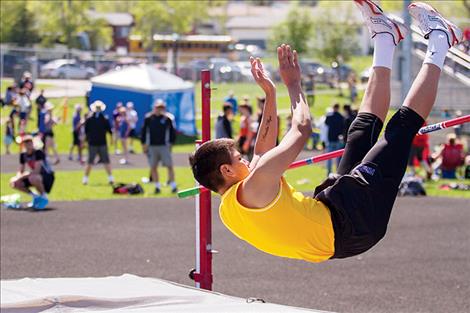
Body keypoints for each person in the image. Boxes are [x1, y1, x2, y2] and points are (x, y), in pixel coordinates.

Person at [189, 1, 462, 263]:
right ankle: (441, 37)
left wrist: (270, 93)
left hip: (334, 216)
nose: (245, 159)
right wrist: (294, 85)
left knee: (360, 131)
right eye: (238, 158)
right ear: (226, 170)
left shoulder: (231, 207)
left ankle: (385, 38)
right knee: (400, 129)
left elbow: (262, 150)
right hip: (351, 224)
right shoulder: (253, 187)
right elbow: (302, 128)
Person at [141, 99, 177, 193]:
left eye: (161, 107)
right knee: (153, 166)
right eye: (158, 107)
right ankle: (157, 186)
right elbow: (144, 132)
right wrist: (144, 145)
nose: (159, 109)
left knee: (169, 165)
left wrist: (171, 144)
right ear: (154, 108)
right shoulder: (148, 118)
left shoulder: (167, 119)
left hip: (164, 146)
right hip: (152, 146)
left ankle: (173, 185)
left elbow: (172, 133)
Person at [9, 135, 54, 209]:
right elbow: (20, 170)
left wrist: (20, 177)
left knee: (33, 178)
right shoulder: (23, 155)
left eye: (29, 142)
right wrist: (17, 178)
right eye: (26, 142)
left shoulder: (38, 153)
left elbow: (37, 171)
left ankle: (44, 198)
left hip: (47, 176)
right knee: (14, 182)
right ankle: (35, 197)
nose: (28, 144)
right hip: (34, 176)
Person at [82, 100, 114, 185]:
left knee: (106, 160)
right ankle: (85, 178)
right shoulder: (90, 119)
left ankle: (110, 178)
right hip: (92, 143)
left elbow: (109, 130)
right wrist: (84, 141)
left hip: (102, 143)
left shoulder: (104, 118)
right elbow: (86, 131)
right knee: (90, 161)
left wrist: (111, 139)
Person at [324, 103, 345, 175]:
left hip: (330, 138)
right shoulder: (341, 117)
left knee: (329, 157)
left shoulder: (329, 116)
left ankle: (329, 172)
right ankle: (338, 172)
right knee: (338, 157)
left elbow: (326, 123)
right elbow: (343, 127)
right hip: (338, 138)